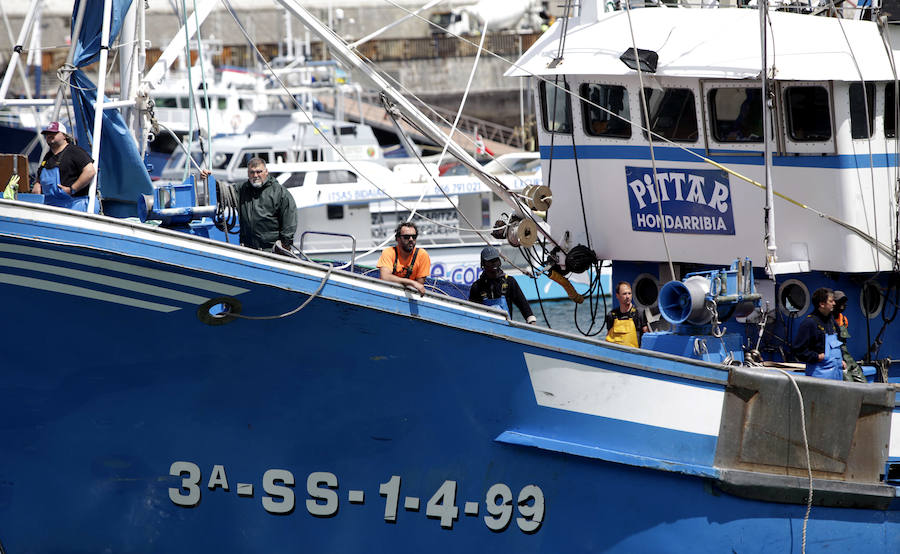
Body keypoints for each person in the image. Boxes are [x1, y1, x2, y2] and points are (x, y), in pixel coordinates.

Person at [234, 158, 297, 251]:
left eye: (259, 172)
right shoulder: (241, 189)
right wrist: (207, 177)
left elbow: (289, 220)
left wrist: (285, 244)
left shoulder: (279, 192)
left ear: (266, 172)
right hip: (248, 248)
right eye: (252, 172)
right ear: (248, 173)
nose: (255, 175)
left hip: (271, 249)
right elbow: (223, 192)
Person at [33, 121, 97, 212]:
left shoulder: (74, 151)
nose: (49, 135)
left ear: (64, 136)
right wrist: (37, 184)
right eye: (47, 133)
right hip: (52, 206)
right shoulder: (48, 156)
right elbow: (40, 176)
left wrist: (72, 189)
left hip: (75, 205)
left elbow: (90, 171)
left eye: (54, 133)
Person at [469, 246, 537, 324]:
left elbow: (522, 304)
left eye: (495, 260)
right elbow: (472, 312)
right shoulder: (477, 286)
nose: (493, 264)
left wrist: (531, 320)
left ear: (499, 262)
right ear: (483, 264)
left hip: (506, 328)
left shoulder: (509, 282)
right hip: (484, 327)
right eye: (490, 261)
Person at [794, 287, 846, 380]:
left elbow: (840, 343)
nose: (834, 303)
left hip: (837, 374)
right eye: (831, 301)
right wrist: (817, 357)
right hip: (819, 375)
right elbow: (798, 350)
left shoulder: (832, 322)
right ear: (822, 304)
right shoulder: (809, 323)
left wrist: (841, 360)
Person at [377, 222, 431, 295]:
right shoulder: (389, 252)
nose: (411, 239)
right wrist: (411, 282)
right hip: (386, 293)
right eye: (406, 237)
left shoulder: (422, 255)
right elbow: (385, 277)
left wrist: (413, 284)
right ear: (397, 238)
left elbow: (419, 286)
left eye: (414, 236)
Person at [833, 290, 866, 383]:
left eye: (844, 302)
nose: (843, 305)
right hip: (838, 360)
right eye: (840, 302)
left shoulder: (844, 320)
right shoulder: (828, 321)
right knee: (850, 385)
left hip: (848, 358)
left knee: (863, 383)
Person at [605, 281, 649, 348]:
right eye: (624, 294)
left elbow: (647, 336)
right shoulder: (612, 315)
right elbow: (608, 337)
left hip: (635, 354)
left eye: (629, 293)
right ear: (617, 295)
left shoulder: (639, 312)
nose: (628, 296)